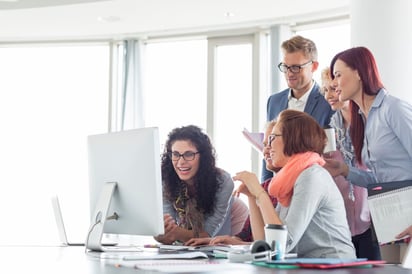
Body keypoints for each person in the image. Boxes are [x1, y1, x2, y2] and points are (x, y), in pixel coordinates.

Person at [235, 109, 356, 258]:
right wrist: (253, 197)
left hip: (334, 267)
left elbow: (282, 244)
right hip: (306, 266)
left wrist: (260, 193)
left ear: (292, 138)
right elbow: (267, 245)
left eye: (272, 138)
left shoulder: (312, 175)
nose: (268, 147)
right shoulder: (289, 178)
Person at [324, 46, 412, 186]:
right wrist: (344, 170)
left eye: (338, 75)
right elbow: (379, 181)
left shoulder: (393, 109)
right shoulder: (364, 119)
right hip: (388, 204)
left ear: (359, 73)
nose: (334, 83)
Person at [185, 121, 279, 246]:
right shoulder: (265, 187)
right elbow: (248, 237)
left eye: (271, 143)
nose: (266, 150)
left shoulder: (295, 186)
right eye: (265, 144)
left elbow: (275, 245)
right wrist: (221, 241)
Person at [322, 67, 381, 260]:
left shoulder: (369, 124)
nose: (328, 95)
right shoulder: (330, 130)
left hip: (369, 217)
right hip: (341, 219)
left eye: (332, 88)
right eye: (324, 90)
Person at [263, 35, 334, 182]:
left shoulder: (328, 101)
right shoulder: (274, 101)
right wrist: (264, 187)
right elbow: (268, 149)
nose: (289, 73)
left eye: (296, 67)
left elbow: (330, 154)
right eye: (285, 67)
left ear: (313, 66)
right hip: (279, 185)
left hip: (312, 183)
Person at [154, 125, 238, 245]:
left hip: (227, 228)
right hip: (188, 236)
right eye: (176, 154)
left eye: (189, 154)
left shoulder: (223, 181)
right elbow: (166, 229)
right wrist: (161, 232)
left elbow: (207, 235)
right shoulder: (165, 179)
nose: (181, 162)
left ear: (202, 157)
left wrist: (175, 232)